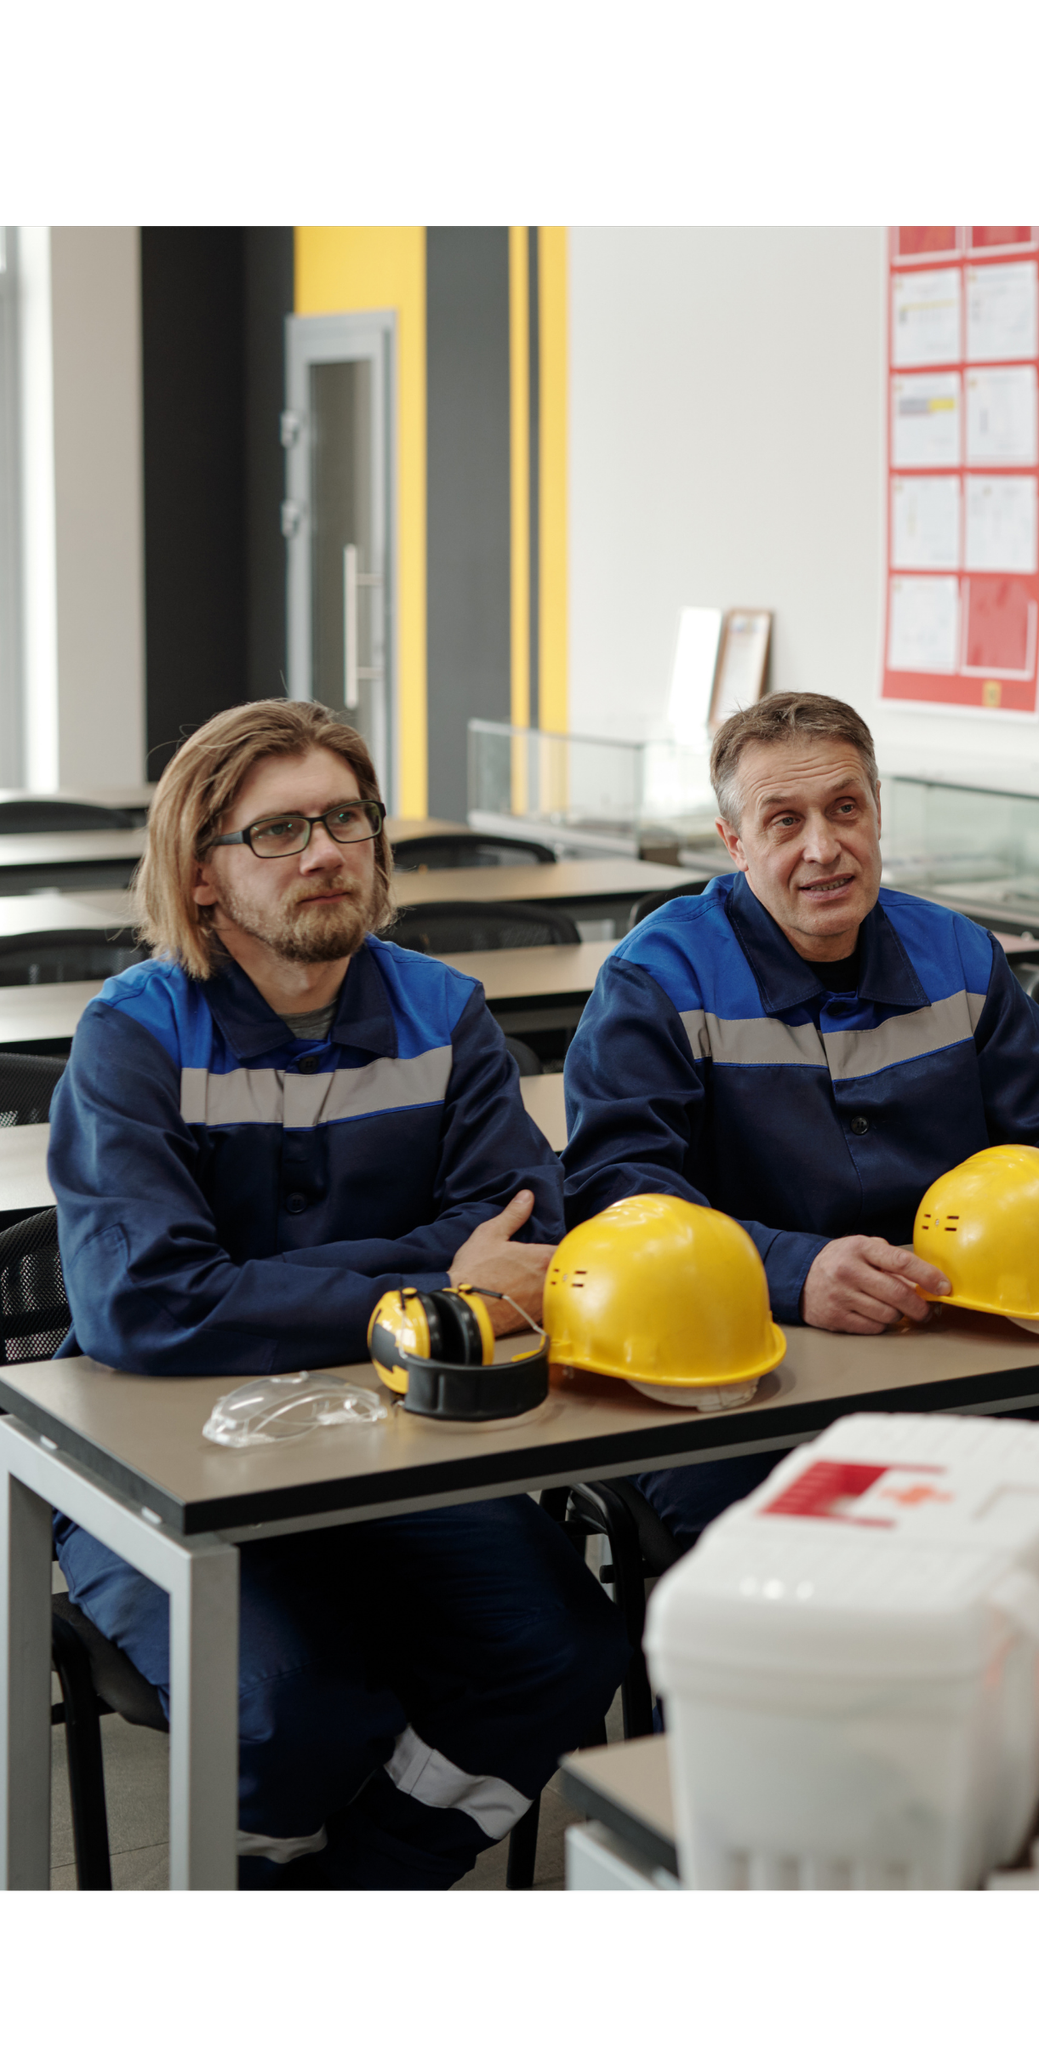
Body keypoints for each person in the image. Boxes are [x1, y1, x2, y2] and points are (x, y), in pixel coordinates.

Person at [46, 701, 627, 1889]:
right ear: (201, 876)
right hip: (162, 1469)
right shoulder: (134, 1035)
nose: (324, 851)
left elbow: (525, 1236)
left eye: (345, 818)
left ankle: (362, 1878)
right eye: (279, 830)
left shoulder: (442, 1011)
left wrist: (276, 1290)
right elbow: (149, 1304)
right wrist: (429, 1280)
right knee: (284, 1708)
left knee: (563, 1647)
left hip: (392, 1451)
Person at [562, 691, 1039, 1600]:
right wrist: (793, 1272)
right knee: (816, 1592)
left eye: (844, 808)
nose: (824, 848)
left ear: (878, 812)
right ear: (734, 844)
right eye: (784, 821)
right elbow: (618, 1196)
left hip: (955, 1358)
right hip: (733, 1379)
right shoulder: (659, 978)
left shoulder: (957, 956)